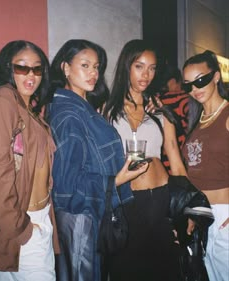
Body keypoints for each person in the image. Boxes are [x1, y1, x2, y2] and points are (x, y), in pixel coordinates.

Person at [46, 39, 149, 281]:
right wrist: (115, 180)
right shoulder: (69, 115)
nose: (93, 73)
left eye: (97, 66)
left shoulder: (84, 107)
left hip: (91, 212)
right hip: (80, 217)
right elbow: (66, 184)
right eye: (85, 65)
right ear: (65, 68)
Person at [103, 39, 189, 281]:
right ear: (127, 67)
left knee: (166, 268)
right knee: (126, 269)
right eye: (139, 66)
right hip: (126, 201)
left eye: (152, 68)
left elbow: (176, 158)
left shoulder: (160, 112)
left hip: (159, 199)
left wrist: (186, 207)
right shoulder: (106, 111)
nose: (147, 74)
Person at [0, 40, 60, 280]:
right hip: (23, 222)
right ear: (8, 69)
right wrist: (21, 228)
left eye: (37, 68)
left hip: (38, 218)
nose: (31, 74)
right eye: (22, 68)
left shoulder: (28, 107)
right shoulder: (3, 100)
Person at [182, 50, 229, 281]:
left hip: (224, 213)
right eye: (188, 85)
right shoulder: (196, 121)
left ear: (216, 77)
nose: (195, 88)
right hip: (201, 214)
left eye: (201, 80)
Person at [159, 65, 189, 173]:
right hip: (181, 165)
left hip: (161, 167)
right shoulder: (182, 99)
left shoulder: (153, 101)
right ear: (173, 81)